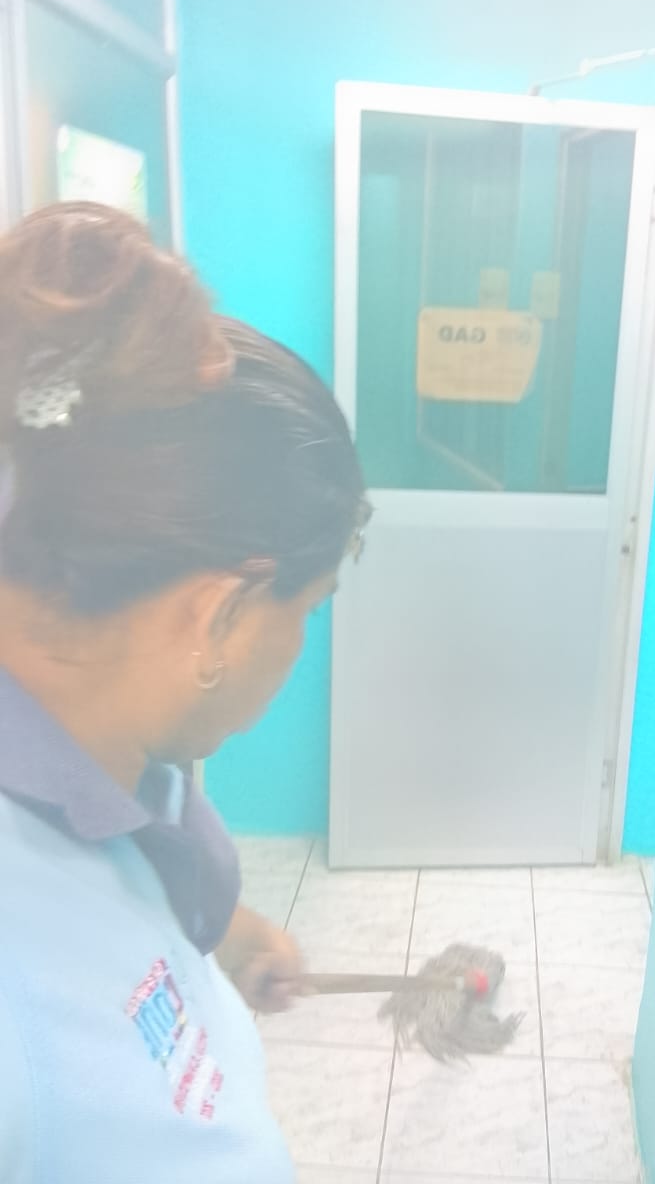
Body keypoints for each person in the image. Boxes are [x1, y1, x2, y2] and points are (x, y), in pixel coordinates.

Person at [0, 203, 370, 1183]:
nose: (301, 642)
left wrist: (212, 944)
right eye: (310, 607)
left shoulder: (91, 758)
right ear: (218, 615)